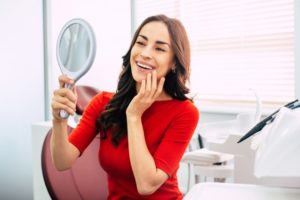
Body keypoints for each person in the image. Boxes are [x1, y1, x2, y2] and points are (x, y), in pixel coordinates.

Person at [51, 14, 199, 200]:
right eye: (140, 43)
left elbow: (146, 185)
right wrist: (58, 121)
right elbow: (62, 162)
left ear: (174, 62)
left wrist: (134, 116)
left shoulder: (185, 113)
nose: (145, 53)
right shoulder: (102, 103)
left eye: (159, 48)